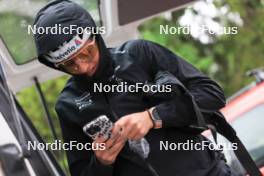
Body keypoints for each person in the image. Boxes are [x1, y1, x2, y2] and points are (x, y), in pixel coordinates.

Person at [33, 1, 234, 175]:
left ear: (95, 36)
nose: (83, 67)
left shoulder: (138, 54)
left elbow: (212, 94)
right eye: (69, 64)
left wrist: (153, 117)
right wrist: (102, 163)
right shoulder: (67, 104)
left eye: (86, 53)